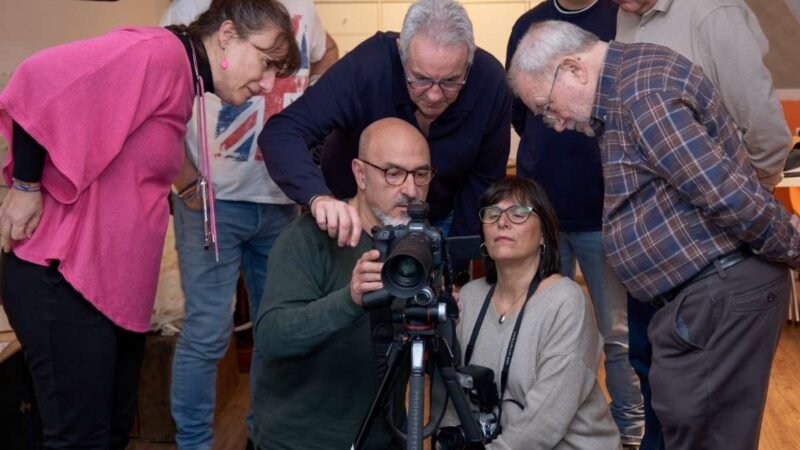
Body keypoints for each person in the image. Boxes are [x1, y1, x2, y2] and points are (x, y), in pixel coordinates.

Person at [0, 0, 300, 447]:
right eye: (266, 62)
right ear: (228, 35)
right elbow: (39, 78)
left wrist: (191, 188)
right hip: (63, 275)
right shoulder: (158, 53)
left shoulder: (182, 76)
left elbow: (144, 145)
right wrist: (25, 185)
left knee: (112, 430)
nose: (269, 82)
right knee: (81, 438)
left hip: (105, 286)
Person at [508, 20, 800, 450]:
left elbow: (726, 194)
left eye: (547, 107)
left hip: (717, 293)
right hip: (699, 298)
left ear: (572, 69)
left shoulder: (641, 95)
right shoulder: (623, 91)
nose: (553, 123)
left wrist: (793, 246)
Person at [613, 2, 794, 447]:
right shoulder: (625, 15)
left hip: (713, 260)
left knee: (707, 412)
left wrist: (734, 207)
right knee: (657, 382)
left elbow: (767, 137)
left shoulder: (714, 13)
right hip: (657, 261)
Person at [160, 1, 337, 448]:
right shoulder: (187, 8)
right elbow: (161, 105)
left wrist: (310, 122)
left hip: (279, 199)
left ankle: (264, 436)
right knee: (206, 332)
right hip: (210, 202)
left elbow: (327, 52)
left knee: (275, 328)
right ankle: (194, 443)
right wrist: (185, 185)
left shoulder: (303, 7)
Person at [258, 0, 511, 273]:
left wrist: (452, 268)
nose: (435, 95)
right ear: (401, 50)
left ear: (469, 58)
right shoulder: (367, 68)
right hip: (352, 221)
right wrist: (319, 198)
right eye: (421, 79)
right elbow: (282, 132)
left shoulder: (491, 82)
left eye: (451, 81)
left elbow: (483, 181)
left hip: (440, 220)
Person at [505, 2, 644, 447]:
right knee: (539, 328)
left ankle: (631, 430)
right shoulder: (527, 25)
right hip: (540, 212)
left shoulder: (618, 17)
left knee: (617, 333)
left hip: (607, 211)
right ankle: (546, 425)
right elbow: (520, 112)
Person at [252, 117, 433, 449]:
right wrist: (350, 300)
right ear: (360, 174)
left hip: (385, 437)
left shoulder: (418, 249)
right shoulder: (308, 238)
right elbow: (272, 337)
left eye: (421, 174)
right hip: (302, 441)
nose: (410, 189)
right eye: (393, 173)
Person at [444, 176, 620, 449]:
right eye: (492, 214)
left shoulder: (565, 302)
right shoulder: (468, 297)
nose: (502, 222)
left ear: (543, 235)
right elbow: (449, 399)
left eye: (518, 213)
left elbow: (546, 420)